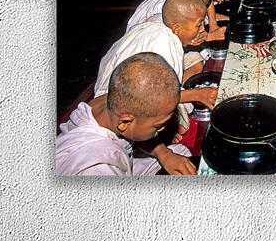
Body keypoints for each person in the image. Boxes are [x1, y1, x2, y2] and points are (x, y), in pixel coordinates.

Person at [56, 52, 197, 176]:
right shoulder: (97, 168)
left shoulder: (113, 101)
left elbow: (133, 133)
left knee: (180, 156)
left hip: (124, 157)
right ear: (125, 122)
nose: (163, 129)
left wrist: (164, 154)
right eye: (158, 126)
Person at [96, 0, 217, 122]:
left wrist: (189, 39)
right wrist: (198, 94)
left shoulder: (163, 20)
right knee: (180, 125)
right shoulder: (163, 43)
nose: (202, 29)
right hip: (119, 99)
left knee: (195, 58)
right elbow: (149, 95)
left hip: (142, 83)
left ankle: (179, 90)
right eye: (199, 25)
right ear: (177, 28)